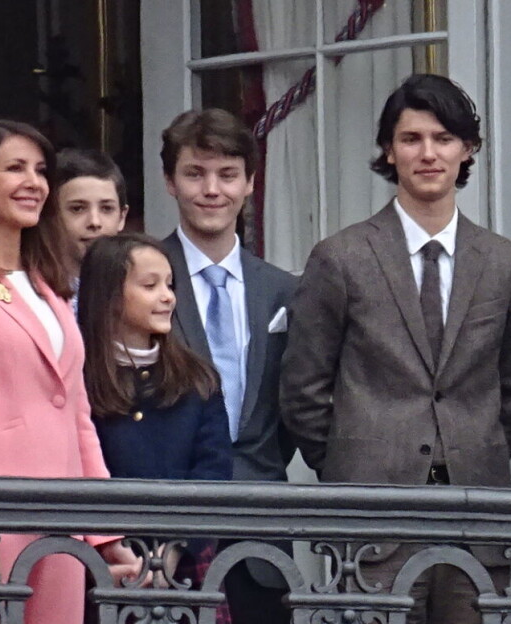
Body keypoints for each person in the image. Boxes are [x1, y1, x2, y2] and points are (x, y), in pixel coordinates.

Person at [280, 74, 511, 624]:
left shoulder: (505, 263)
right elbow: (303, 391)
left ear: (466, 150)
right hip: (372, 518)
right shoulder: (341, 257)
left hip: (478, 514)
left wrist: (472, 447)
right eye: (411, 138)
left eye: (443, 139)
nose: (428, 153)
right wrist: (354, 465)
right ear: (388, 150)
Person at [0, 119, 143, 623]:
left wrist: (105, 533)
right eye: (15, 168)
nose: (34, 182)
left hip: (60, 520)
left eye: (40, 171)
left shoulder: (50, 286)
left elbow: (78, 420)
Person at [158, 108, 298, 624]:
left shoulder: (283, 290)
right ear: (170, 182)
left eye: (227, 174)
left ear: (251, 183)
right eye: (195, 173)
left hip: (262, 528)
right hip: (166, 530)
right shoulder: (140, 276)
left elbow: (294, 407)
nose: (211, 190)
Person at [79, 232, 232, 624]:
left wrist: (175, 548)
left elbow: (213, 473)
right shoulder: (77, 378)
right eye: (150, 286)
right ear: (110, 295)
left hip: (185, 575)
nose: (168, 296)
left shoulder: (198, 379)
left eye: (169, 284)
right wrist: (111, 552)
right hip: (100, 571)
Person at [55, 148, 129, 311]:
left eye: (106, 208)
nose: (94, 222)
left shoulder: (137, 293)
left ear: (122, 217)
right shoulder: (33, 295)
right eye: (78, 209)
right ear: (51, 217)